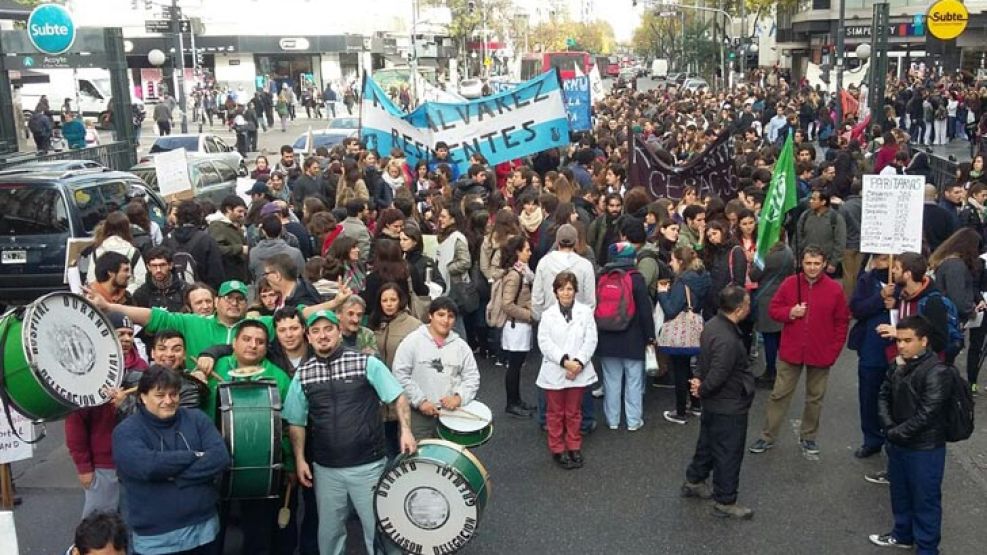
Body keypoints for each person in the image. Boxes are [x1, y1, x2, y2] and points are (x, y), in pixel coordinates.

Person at [283, 310, 417, 555]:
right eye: (316, 331)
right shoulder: (303, 374)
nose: (323, 336)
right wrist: (301, 459)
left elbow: (398, 397)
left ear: (339, 332)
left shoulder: (366, 363)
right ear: (308, 337)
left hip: (368, 466)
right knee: (330, 535)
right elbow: (295, 422)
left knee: (379, 531)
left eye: (328, 329)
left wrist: (405, 431)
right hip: (326, 469)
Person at [112, 366, 230, 555]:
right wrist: (194, 455)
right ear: (142, 396)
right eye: (160, 395)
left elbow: (220, 457)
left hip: (205, 532)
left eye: (173, 394)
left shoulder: (197, 419)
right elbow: (147, 466)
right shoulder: (126, 431)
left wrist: (175, 476)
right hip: (157, 541)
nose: (168, 401)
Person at [749, 246, 850, 455]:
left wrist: (834, 351)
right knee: (779, 394)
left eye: (816, 264)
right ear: (801, 263)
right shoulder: (790, 284)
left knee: (815, 397)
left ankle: (809, 436)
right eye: (808, 263)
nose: (812, 268)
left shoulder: (834, 290)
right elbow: (773, 310)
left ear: (824, 264)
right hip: (792, 351)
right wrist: (790, 312)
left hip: (821, 352)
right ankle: (767, 435)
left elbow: (842, 322)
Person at [868, 316, 952, 553]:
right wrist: (889, 427)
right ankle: (902, 534)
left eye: (908, 340)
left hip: (925, 448)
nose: (901, 345)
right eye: (899, 340)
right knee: (900, 494)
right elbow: (883, 394)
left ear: (924, 341)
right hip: (899, 443)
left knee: (925, 500)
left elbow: (928, 413)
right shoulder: (898, 364)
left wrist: (894, 432)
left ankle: (927, 548)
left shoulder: (937, 372)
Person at [681, 285, 755, 520]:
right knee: (728, 452)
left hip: (714, 403)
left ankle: (695, 479)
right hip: (729, 404)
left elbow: (704, 360)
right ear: (739, 308)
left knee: (708, 443)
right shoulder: (729, 340)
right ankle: (725, 500)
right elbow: (720, 372)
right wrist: (703, 387)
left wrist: (698, 382)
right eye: (747, 304)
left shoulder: (712, 325)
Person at [391, 297, 481, 439]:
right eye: (441, 315)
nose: (445, 320)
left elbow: (472, 377)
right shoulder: (412, 341)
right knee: (418, 458)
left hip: (452, 415)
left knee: (450, 459)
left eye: (450, 316)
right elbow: (399, 375)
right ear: (430, 316)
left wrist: (459, 397)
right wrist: (420, 401)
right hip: (417, 416)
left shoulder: (461, 346)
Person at [537, 271, 598, 469]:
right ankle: (557, 448)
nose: (566, 293)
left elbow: (591, 339)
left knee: (573, 412)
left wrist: (578, 363)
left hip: (579, 370)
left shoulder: (586, 312)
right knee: (555, 413)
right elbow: (544, 342)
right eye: (562, 289)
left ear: (575, 291)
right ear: (555, 292)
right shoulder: (547, 315)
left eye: (570, 289)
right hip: (556, 369)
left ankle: (573, 445)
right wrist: (565, 362)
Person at [657, 245, 712, 423]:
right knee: (690, 368)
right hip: (695, 324)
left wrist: (663, 294)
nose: (670, 263)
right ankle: (696, 404)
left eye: (672, 260)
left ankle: (680, 411)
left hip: (680, 331)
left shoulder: (682, 281)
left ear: (681, 262)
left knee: (680, 369)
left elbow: (671, 309)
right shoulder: (703, 277)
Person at [849, 254, 894, 459]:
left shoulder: (904, 283)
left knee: (897, 397)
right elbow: (856, 309)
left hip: (897, 350)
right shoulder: (867, 281)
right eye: (880, 260)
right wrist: (879, 298)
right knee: (868, 396)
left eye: (887, 260)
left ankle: (894, 439)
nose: (883, 264)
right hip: (872, 348)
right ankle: (872, 440)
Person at [498, 236, 537, 417]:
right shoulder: (515, 275)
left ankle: (517, 400)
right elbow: (507, 304)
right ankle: (511, 403)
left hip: (520, 325)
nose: (530, 253)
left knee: (517, 365)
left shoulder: (523, 272)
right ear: (517, 252)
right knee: (514, 365)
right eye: (526, 250)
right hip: (516, 326)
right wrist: (528, 315)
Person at [748, 241, 795, 388]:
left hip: (767, 298)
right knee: (781, 336)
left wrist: (752, 260)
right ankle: (786, 370)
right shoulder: (788, 252)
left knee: (769, 338)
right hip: (783, 295)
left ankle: (770, 371)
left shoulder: (766, 256)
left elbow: (754, 275)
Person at [207, 194, 250, 283]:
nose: (242, 215)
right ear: (228, 209)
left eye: (244, 212)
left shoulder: (235, 224)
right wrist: (240, 249)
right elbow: (217, 248)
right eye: (239, 211)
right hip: (230, 276)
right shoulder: (217, 226)